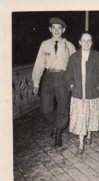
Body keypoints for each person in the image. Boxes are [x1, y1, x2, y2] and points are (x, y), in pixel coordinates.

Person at [32, 17, 76, 147]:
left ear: (63, 30)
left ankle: (58, 133)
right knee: (45, 108)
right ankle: (55, 124)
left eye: (59, 28)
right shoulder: (44, 44)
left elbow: (75, 64)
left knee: (63, 106)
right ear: (50, 29)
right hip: (49, 77)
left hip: (63, 77)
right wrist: (36, 82)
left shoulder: (69, 46)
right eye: (54, 28)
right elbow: (39, 64)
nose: (56, 31)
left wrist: (74, 81)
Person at [65, 31, 99, 155]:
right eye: (83, 40)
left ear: (92, 43)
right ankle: (80, 144)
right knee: (80, 118)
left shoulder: (97, 56)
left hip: (92, 92)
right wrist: (72, 85)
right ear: (79, 42)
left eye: (89, 40)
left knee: (89, 115)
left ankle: (89, 134)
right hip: (78, 92)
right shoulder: (74, 57)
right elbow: (68, 74)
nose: (86, 43)